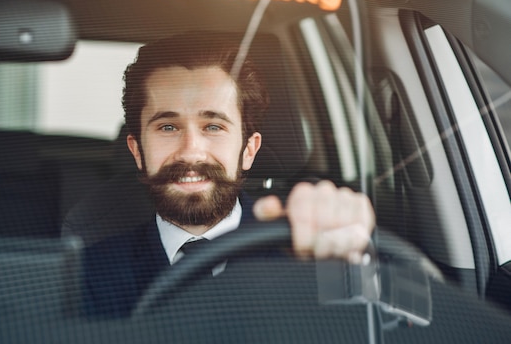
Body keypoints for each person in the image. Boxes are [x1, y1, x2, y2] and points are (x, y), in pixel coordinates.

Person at [81, 32, 375, 318]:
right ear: (136, 151)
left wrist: (354, 252)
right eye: (168, 127)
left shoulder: (308, 251)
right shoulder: (92, 272)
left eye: (213, 127)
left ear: (249, 149)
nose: (191, 152)